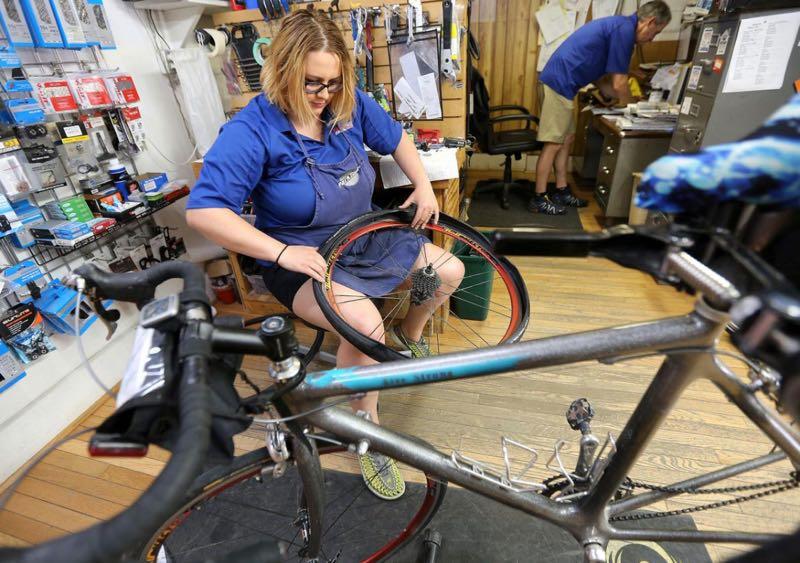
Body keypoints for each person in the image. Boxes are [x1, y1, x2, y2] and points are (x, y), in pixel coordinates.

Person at [185, 10, 465, 500]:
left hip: (363, 234)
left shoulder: (347, 105)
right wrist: (280, 252)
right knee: (364, 326)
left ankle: (410, 334)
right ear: (282, 72)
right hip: (302, 257)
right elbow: (204, 212)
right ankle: (366, 428)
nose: (323, 95)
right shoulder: (251, 131)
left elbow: (397, 138)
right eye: (312, 83)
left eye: (333, 83)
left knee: (447, 272)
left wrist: (422, 185)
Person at [530, 0, 672, 215]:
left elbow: (603, 81)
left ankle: (561, 190)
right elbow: (619, 83)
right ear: (650, 22)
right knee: (553, 143)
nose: (652, 39)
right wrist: (636, 109)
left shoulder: (620, 27)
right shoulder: (624, 30)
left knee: (566, 140)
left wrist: (615, 98)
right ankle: (539, 198)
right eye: (656, 33)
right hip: (558, 83)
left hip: (564, 84)